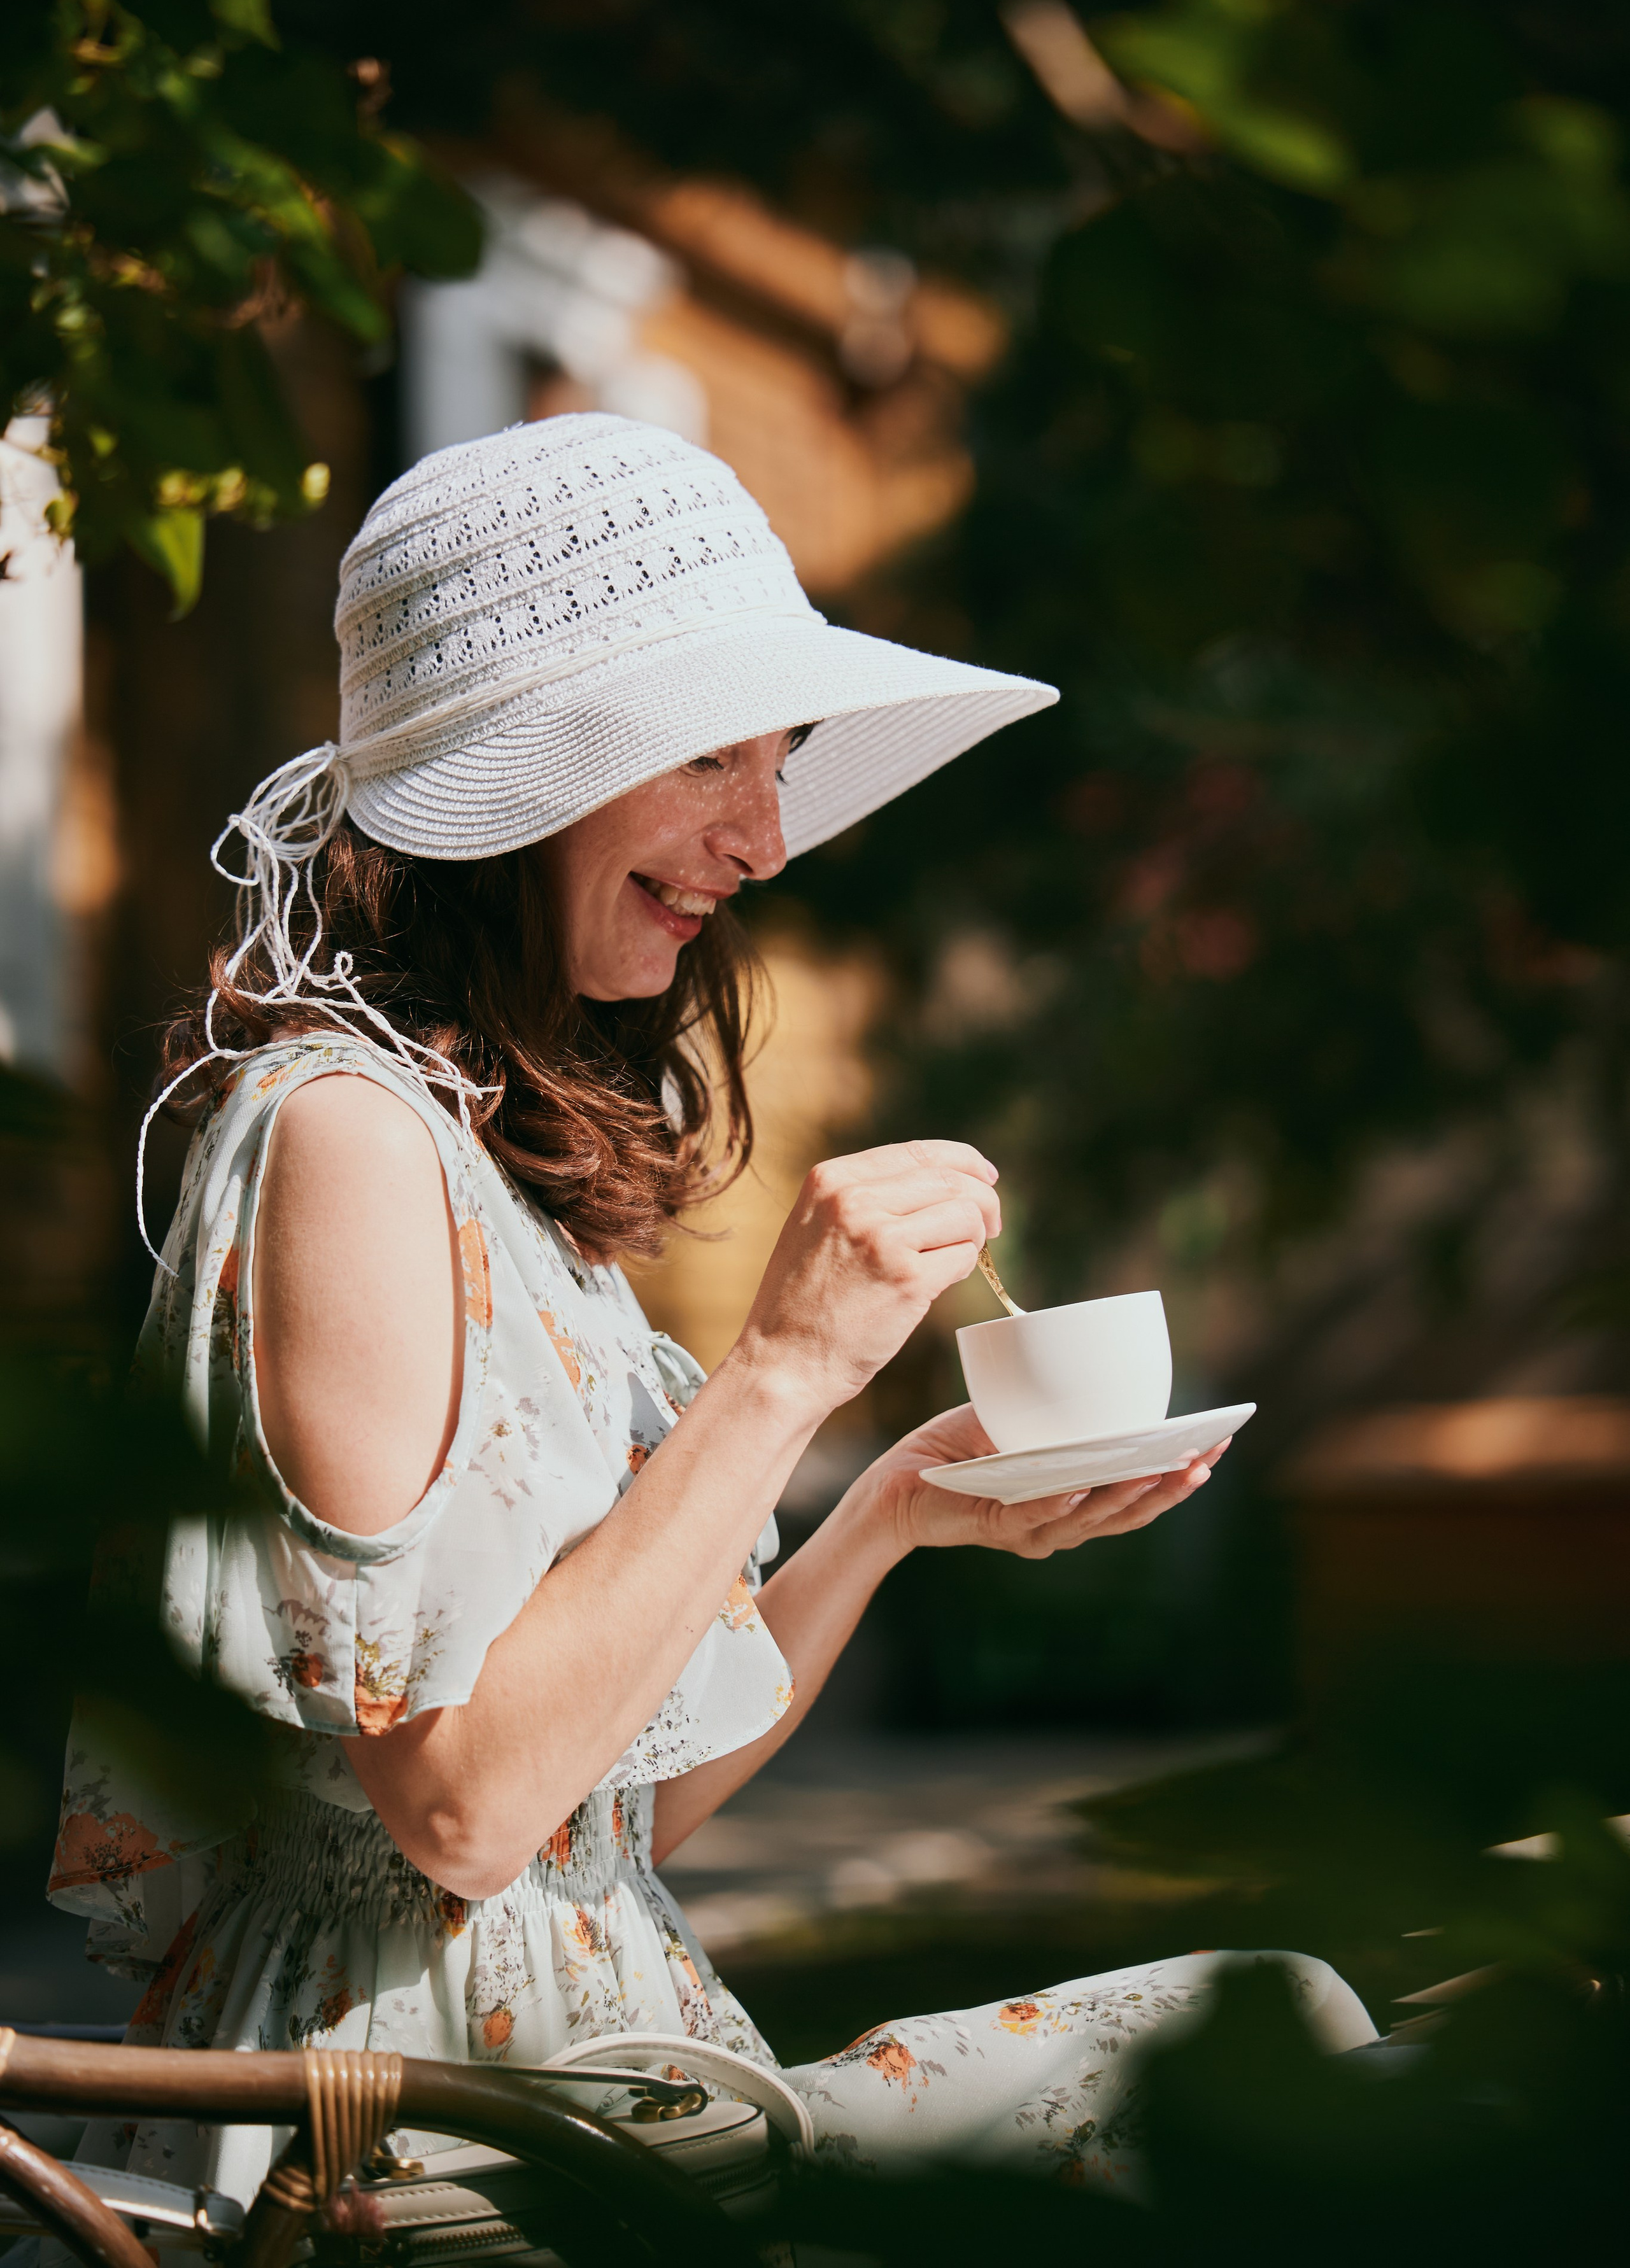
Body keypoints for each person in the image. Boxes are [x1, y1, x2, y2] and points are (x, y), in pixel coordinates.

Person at [48, 414, 1373, 2205]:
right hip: (428, 2146)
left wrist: (893, 1504)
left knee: (1292, 2023)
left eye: (780, 767)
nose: (761, 839)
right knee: (1280, 2068)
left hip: (596, 2072)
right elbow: (460, 1813)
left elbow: (617, 1803)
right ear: (523, 773)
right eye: (709, 765)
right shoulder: (345, 1141)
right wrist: (786, 1371)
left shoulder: (494, 1159)